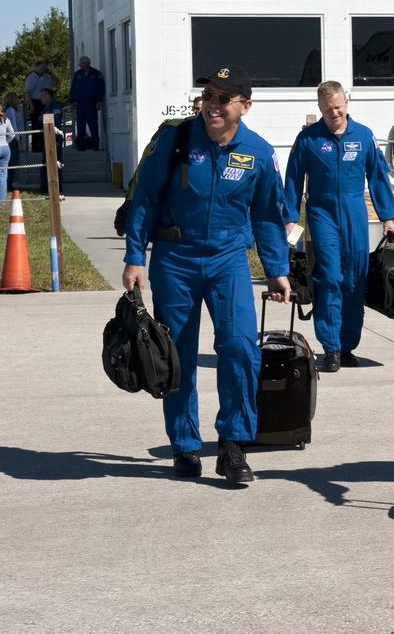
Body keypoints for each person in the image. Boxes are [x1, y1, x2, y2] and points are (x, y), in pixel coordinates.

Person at [122, 66, 291, 484]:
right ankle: (184, 444)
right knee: (176, 355)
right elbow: (144, 199)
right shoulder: (175, 140)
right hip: (174, 259)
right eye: (208, 96)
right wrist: (134, 256)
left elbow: (269, 216)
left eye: (223, 98)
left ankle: (233, 446)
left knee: (238, 347)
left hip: (228, 261)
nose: (212, 105)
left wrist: (277, 271)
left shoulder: (259, 153)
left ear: (245, 107)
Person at [283, 80, 394, 373]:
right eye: (327, 109)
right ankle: (330, 347)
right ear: (319, 108)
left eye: (337, 107)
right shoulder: (308, 139)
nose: (334, 114)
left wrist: (387, 216)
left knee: (354, 278)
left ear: (346, 103)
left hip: (354, 211)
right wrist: (290, 217)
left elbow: (378, 176)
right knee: (330, 277)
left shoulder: (364, 136)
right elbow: (294, 178)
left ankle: (348, 345)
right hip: (322, 212)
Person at [69, 56, 106, 151]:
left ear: (86, 63)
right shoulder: (77, 74)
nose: (79, 64)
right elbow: (73, 89)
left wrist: (99, 101)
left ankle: (95, 147)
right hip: (80, 105)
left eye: (81, 62)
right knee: (81, 127)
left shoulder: (96, 74)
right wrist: (72, 101)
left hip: (91, 104)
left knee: (93, 126)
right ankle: (80, 147)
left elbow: (100, 88)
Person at [36, 89, 66, 197]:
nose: (41, 98)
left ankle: (58, 187)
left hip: (54, 139)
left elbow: (55, 122)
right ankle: (45, 187)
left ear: (49, 96)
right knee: (45, 163)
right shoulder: (45, 109)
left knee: (57, 163)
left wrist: (42, 118)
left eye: (43, 95)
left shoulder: (55, 107)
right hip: (46, 139)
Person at [3, 92, 25, 168]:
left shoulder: (11, 110)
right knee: (12, 162)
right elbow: (13, 125)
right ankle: (8, 180)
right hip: (13, 139)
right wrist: (18, 140)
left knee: (13, 162)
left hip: (13, 138)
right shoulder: (11, 110)